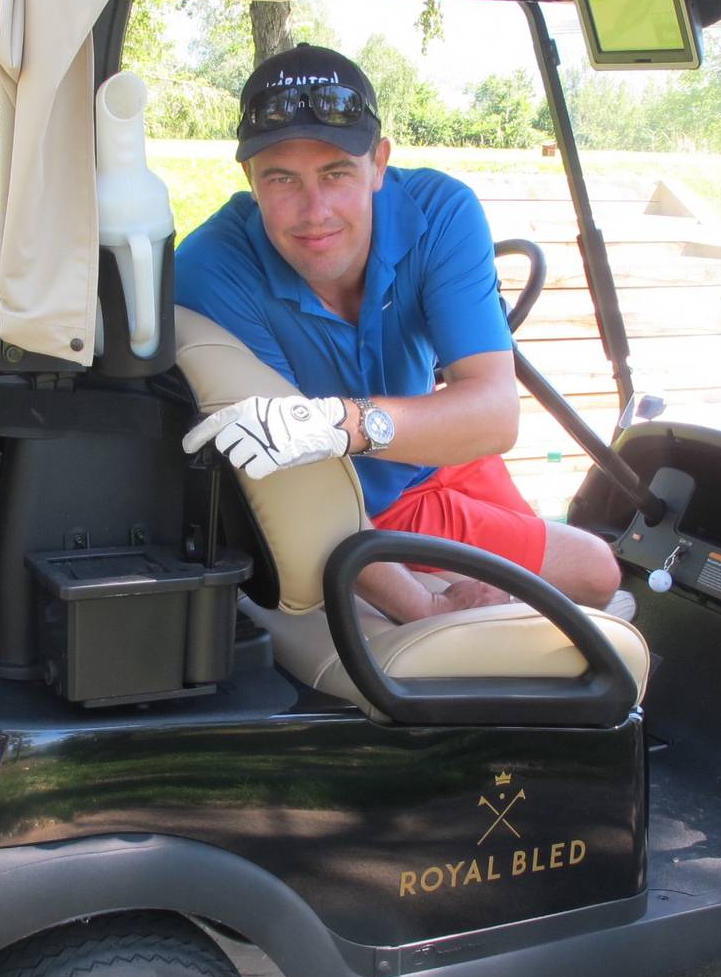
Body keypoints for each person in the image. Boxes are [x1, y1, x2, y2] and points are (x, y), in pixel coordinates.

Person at [176, 44, 628, 627]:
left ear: (379, 163)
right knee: (597, 571)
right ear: (249, 179)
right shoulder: (214, 270)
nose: (315, 211)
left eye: (336, 173)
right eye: (282, 179)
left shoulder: (439, 212)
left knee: (554, 590)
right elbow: (299, 487)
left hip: (437, 449)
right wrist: (426, 607)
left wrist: (345, 423)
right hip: (369, 499)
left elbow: (493, 416)